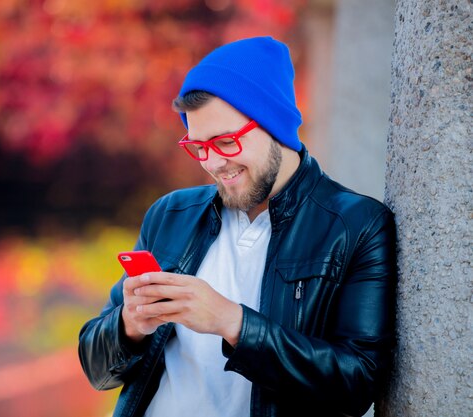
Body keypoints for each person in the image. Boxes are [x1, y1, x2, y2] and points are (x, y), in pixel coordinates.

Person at [78, 36, 396, 417]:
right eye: (198, 147)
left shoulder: (357, 225)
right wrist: (129, 324)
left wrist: (234, 322)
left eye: (225, 141)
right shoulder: (170, 214)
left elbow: (358, 384)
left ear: (274, 125)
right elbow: (97, 370)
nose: (212, 163)